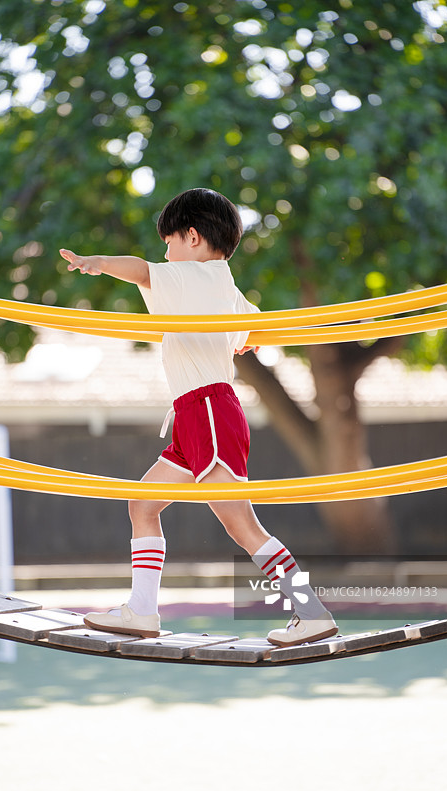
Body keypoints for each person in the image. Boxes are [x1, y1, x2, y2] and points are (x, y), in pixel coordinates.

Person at [59, 187, 337, 646]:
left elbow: (142, 271)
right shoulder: (222, 285)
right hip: (198, 415)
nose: (164, 253)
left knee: (241, 525)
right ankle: (142, 610)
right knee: (143, 505)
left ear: (191, 236)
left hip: (207, 409)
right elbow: (257, 326)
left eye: (168, 241)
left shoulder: (194, 276)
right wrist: (243, 336)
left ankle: (312, 612)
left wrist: (99, 262)